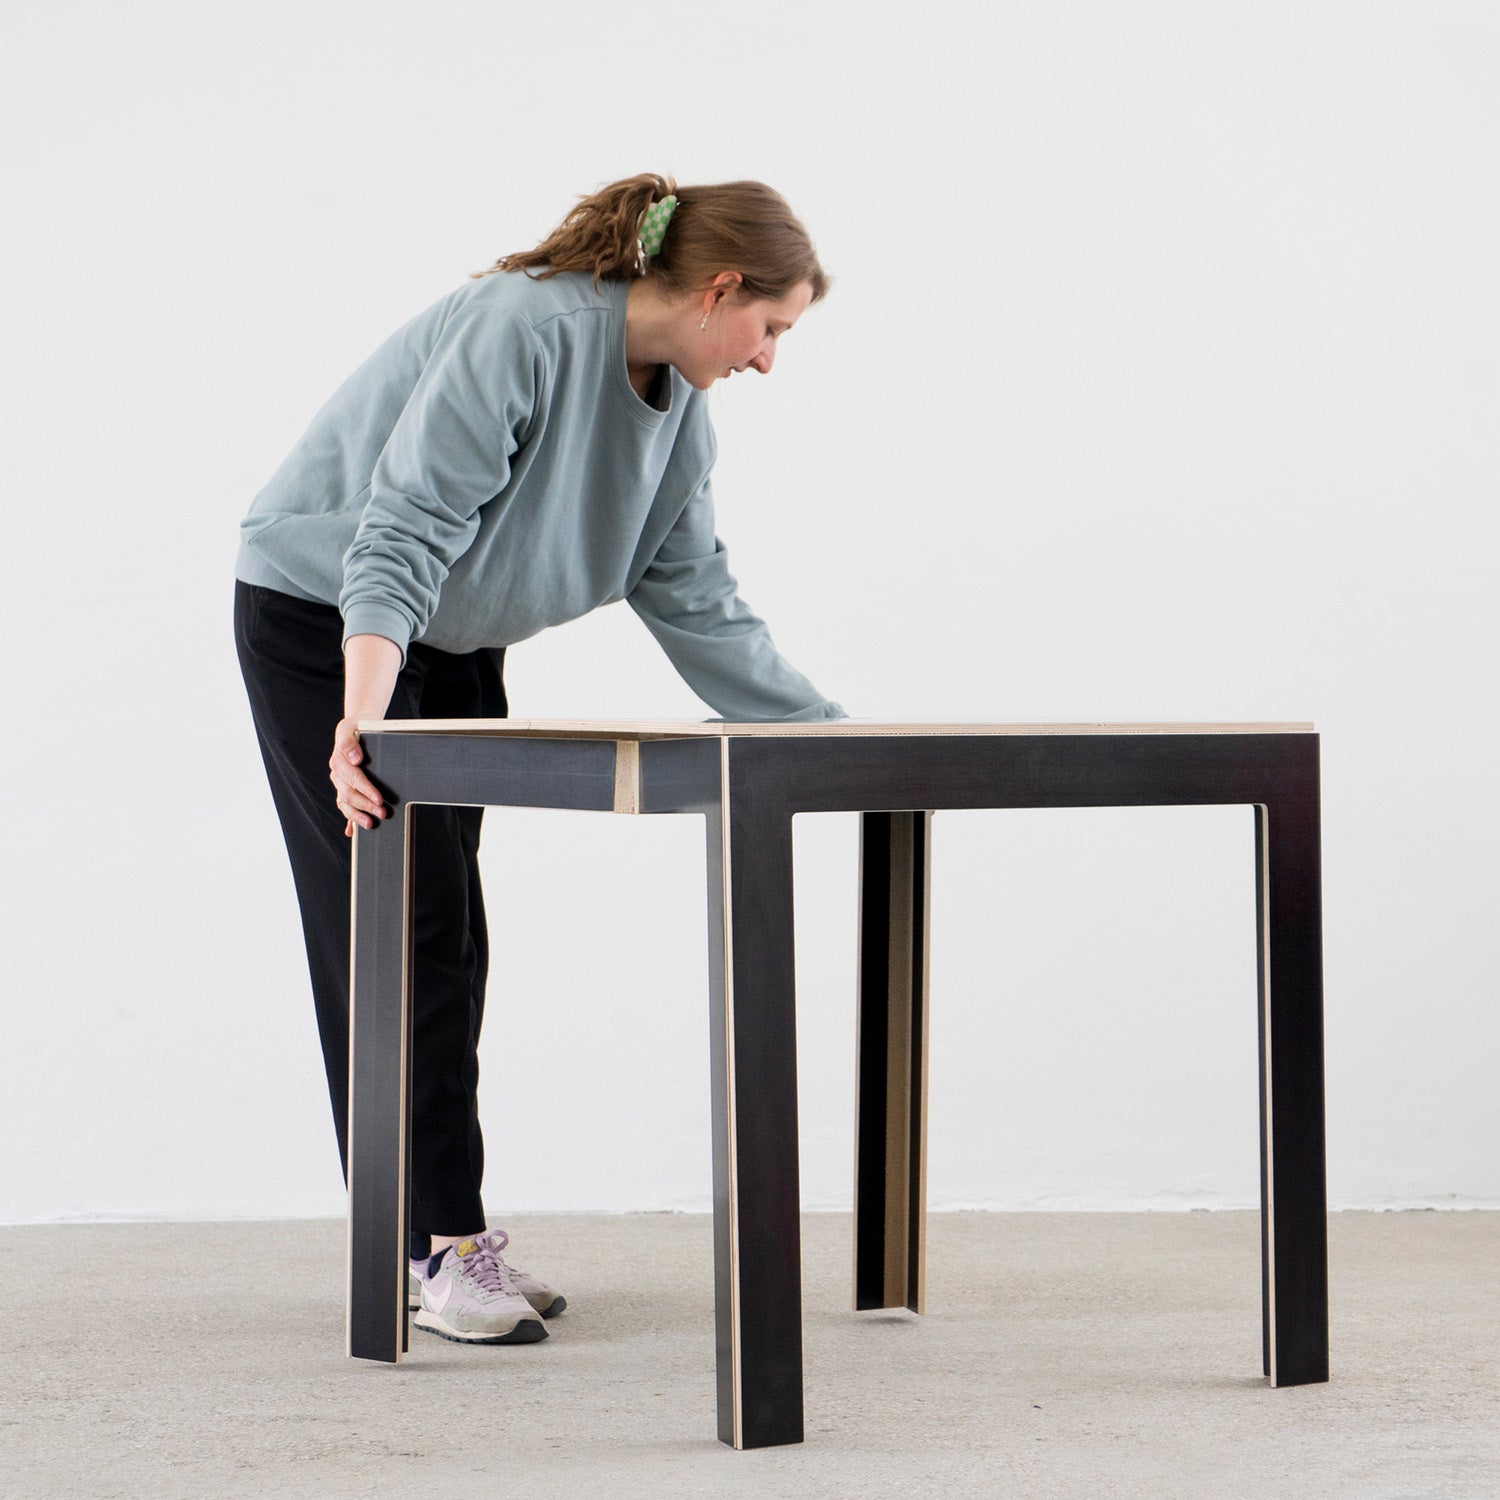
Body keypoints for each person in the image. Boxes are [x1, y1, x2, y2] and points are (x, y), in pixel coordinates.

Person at [232, 172, 845, 1348]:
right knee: (397, 930)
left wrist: (829, 738)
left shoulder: (680, 418)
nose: (770, 360)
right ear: (719, 289)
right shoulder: (528, 329)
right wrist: (361, 723)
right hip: (335, 626)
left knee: (453, 938)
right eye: (771, 327)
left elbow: (697, 600)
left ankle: (427, 1234)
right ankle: (433, 1245)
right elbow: (400, 531)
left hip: (455, 639)